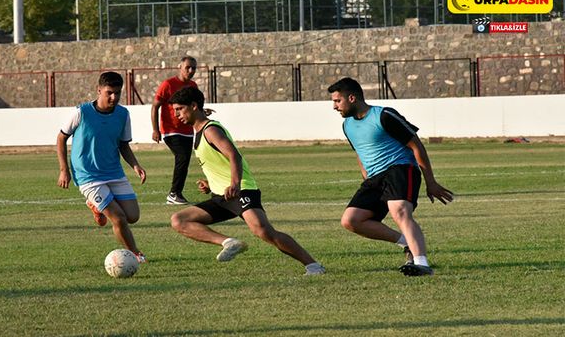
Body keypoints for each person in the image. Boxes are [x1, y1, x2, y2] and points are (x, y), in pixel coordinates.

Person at [168, 87, 325, 275]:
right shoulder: (199, 130)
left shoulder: (210, 130)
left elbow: (233, 155)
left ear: (194, 106)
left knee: (264, 231)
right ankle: (229, 242)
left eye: (179, 109)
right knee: (179, 220)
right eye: (175, 110)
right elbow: (219, 162)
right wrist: (211, 183)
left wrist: (235, 183)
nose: (176, 114)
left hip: (241, 190)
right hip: (222, 195)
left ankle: (313, 266)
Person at [327, 77, 453, 276]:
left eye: (337, 101)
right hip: (374, 178)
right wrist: (366, 177)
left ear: (351, 98)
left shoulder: (384, 115)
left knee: (399, 210)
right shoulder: (347, 126)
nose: (334, 107)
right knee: (351, 220)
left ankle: (422, 263)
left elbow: (415, 145)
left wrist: (430, 181)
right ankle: (406, 243)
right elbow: (360, 152)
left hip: (400, 168)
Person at [57, 71, 148, 263]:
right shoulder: (81, 112)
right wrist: (64, 170)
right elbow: (61, 137)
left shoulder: (123, 114)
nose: (114, 97)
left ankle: (96, 206)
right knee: (118, 218)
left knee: (133, 216)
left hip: (114, 172)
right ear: (99, 90)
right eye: (109, 93)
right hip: (87, 176)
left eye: (117, 93)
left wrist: (135, 165)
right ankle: (135, 254)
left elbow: (123, 144)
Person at [151, 56, 198, 205]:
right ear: (180, 67)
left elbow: (195, 106)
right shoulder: (168, 84)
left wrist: (203, 110)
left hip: (188, 130)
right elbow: (155, 106)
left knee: (184, 160)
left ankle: (176, 193)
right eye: (188, 67)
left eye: (193, 68)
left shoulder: (193, 86)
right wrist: (155, 129)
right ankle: (174, 193)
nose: (191, 71)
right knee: (182, 157)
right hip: (171, 130)